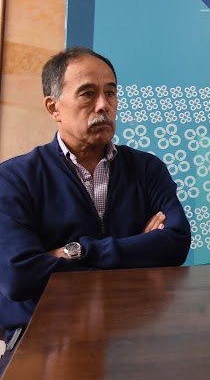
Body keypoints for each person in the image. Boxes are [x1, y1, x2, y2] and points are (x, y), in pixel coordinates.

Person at [0, 48, 190, 370]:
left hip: (133, 331)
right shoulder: (14, 178)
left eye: (110, 93)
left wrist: (77, 250)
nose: (104, 105)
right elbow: (19, 276)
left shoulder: (147, 169)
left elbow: (176, 243)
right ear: (54, 107)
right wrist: (137, 249)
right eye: (88, 94)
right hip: (45, 338)